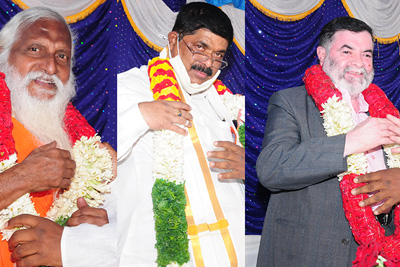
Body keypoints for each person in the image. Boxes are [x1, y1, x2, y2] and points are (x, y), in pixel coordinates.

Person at [256, 16, 400, 266]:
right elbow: (271, 169)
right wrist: (349, 142)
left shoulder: (387, 114)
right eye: (347, 51)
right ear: (321, 55)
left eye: (367, 55)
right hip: (310, 254)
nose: (359, 63)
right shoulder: (291, 102)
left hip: (380, 253)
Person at [118, 2, 244, 266]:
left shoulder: (224, 102)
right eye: (200, 47)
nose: (208, 63)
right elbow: (97, 157)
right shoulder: (132, 86)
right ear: (174, 40)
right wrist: (141, 115)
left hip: (228, 249)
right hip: (157, 249)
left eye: (219, 55)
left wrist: (249, 165)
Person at [0, 7, 117, 267]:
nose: (51, 67)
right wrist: (22, 178)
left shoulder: (86, 147)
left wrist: (86, 235)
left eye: (62, 56)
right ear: (3, 53)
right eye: (35, 49)